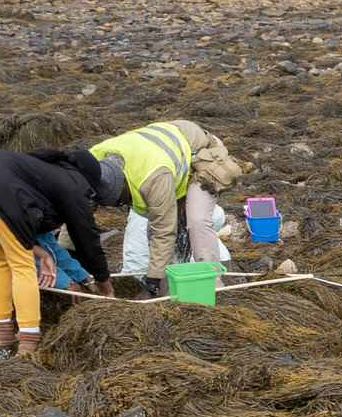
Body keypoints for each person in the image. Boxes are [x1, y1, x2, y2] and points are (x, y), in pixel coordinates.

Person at [0, 148, 113, 358]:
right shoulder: (74, 185)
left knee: (0, 258)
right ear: (88, 179)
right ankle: (29, 340)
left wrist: (84, 277)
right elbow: (87, 239)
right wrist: (106, 283)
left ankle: (2, 334)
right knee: (22, 263)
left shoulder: (43, 173)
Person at [85, 119, 239, 292]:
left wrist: (151, 285)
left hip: (200, 153)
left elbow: (164, 232)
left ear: (123, 184)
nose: (123, 205)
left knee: (196, 219)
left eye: (121, 200)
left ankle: (212, 284)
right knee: (152, 228)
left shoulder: (153, 176)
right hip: (169, 157)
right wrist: (71, 264)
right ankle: (167, 290)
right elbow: (79, 216)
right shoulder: (92, 167)